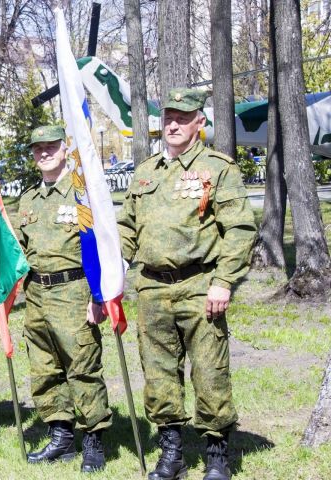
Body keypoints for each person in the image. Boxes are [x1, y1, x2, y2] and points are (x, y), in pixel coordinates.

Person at [114, 88, 256, 480]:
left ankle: (216, 455)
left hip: (200, 286)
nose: (172, 124)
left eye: (182, 117)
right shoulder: (145, 172)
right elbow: (127, 227)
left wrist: (224, 281)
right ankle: (171, 453)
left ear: (199, 122)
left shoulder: (217, 168)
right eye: (168, 117)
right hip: (151, 288)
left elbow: (240, 229)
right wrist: (115, 267)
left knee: (209, 372)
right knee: (158, 374)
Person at [14, 125, 112, 473]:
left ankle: (94, 440)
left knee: (82, 367)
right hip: (36, 294)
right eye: (38, 148)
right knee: (44, 369)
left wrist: (98, 297)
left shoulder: (82, 194)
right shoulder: (27, 199)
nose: (44, 153)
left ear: (64, 149)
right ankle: (61, 436)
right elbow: (18, 248)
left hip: (73, 292)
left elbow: (102, 246)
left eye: (51, 147)